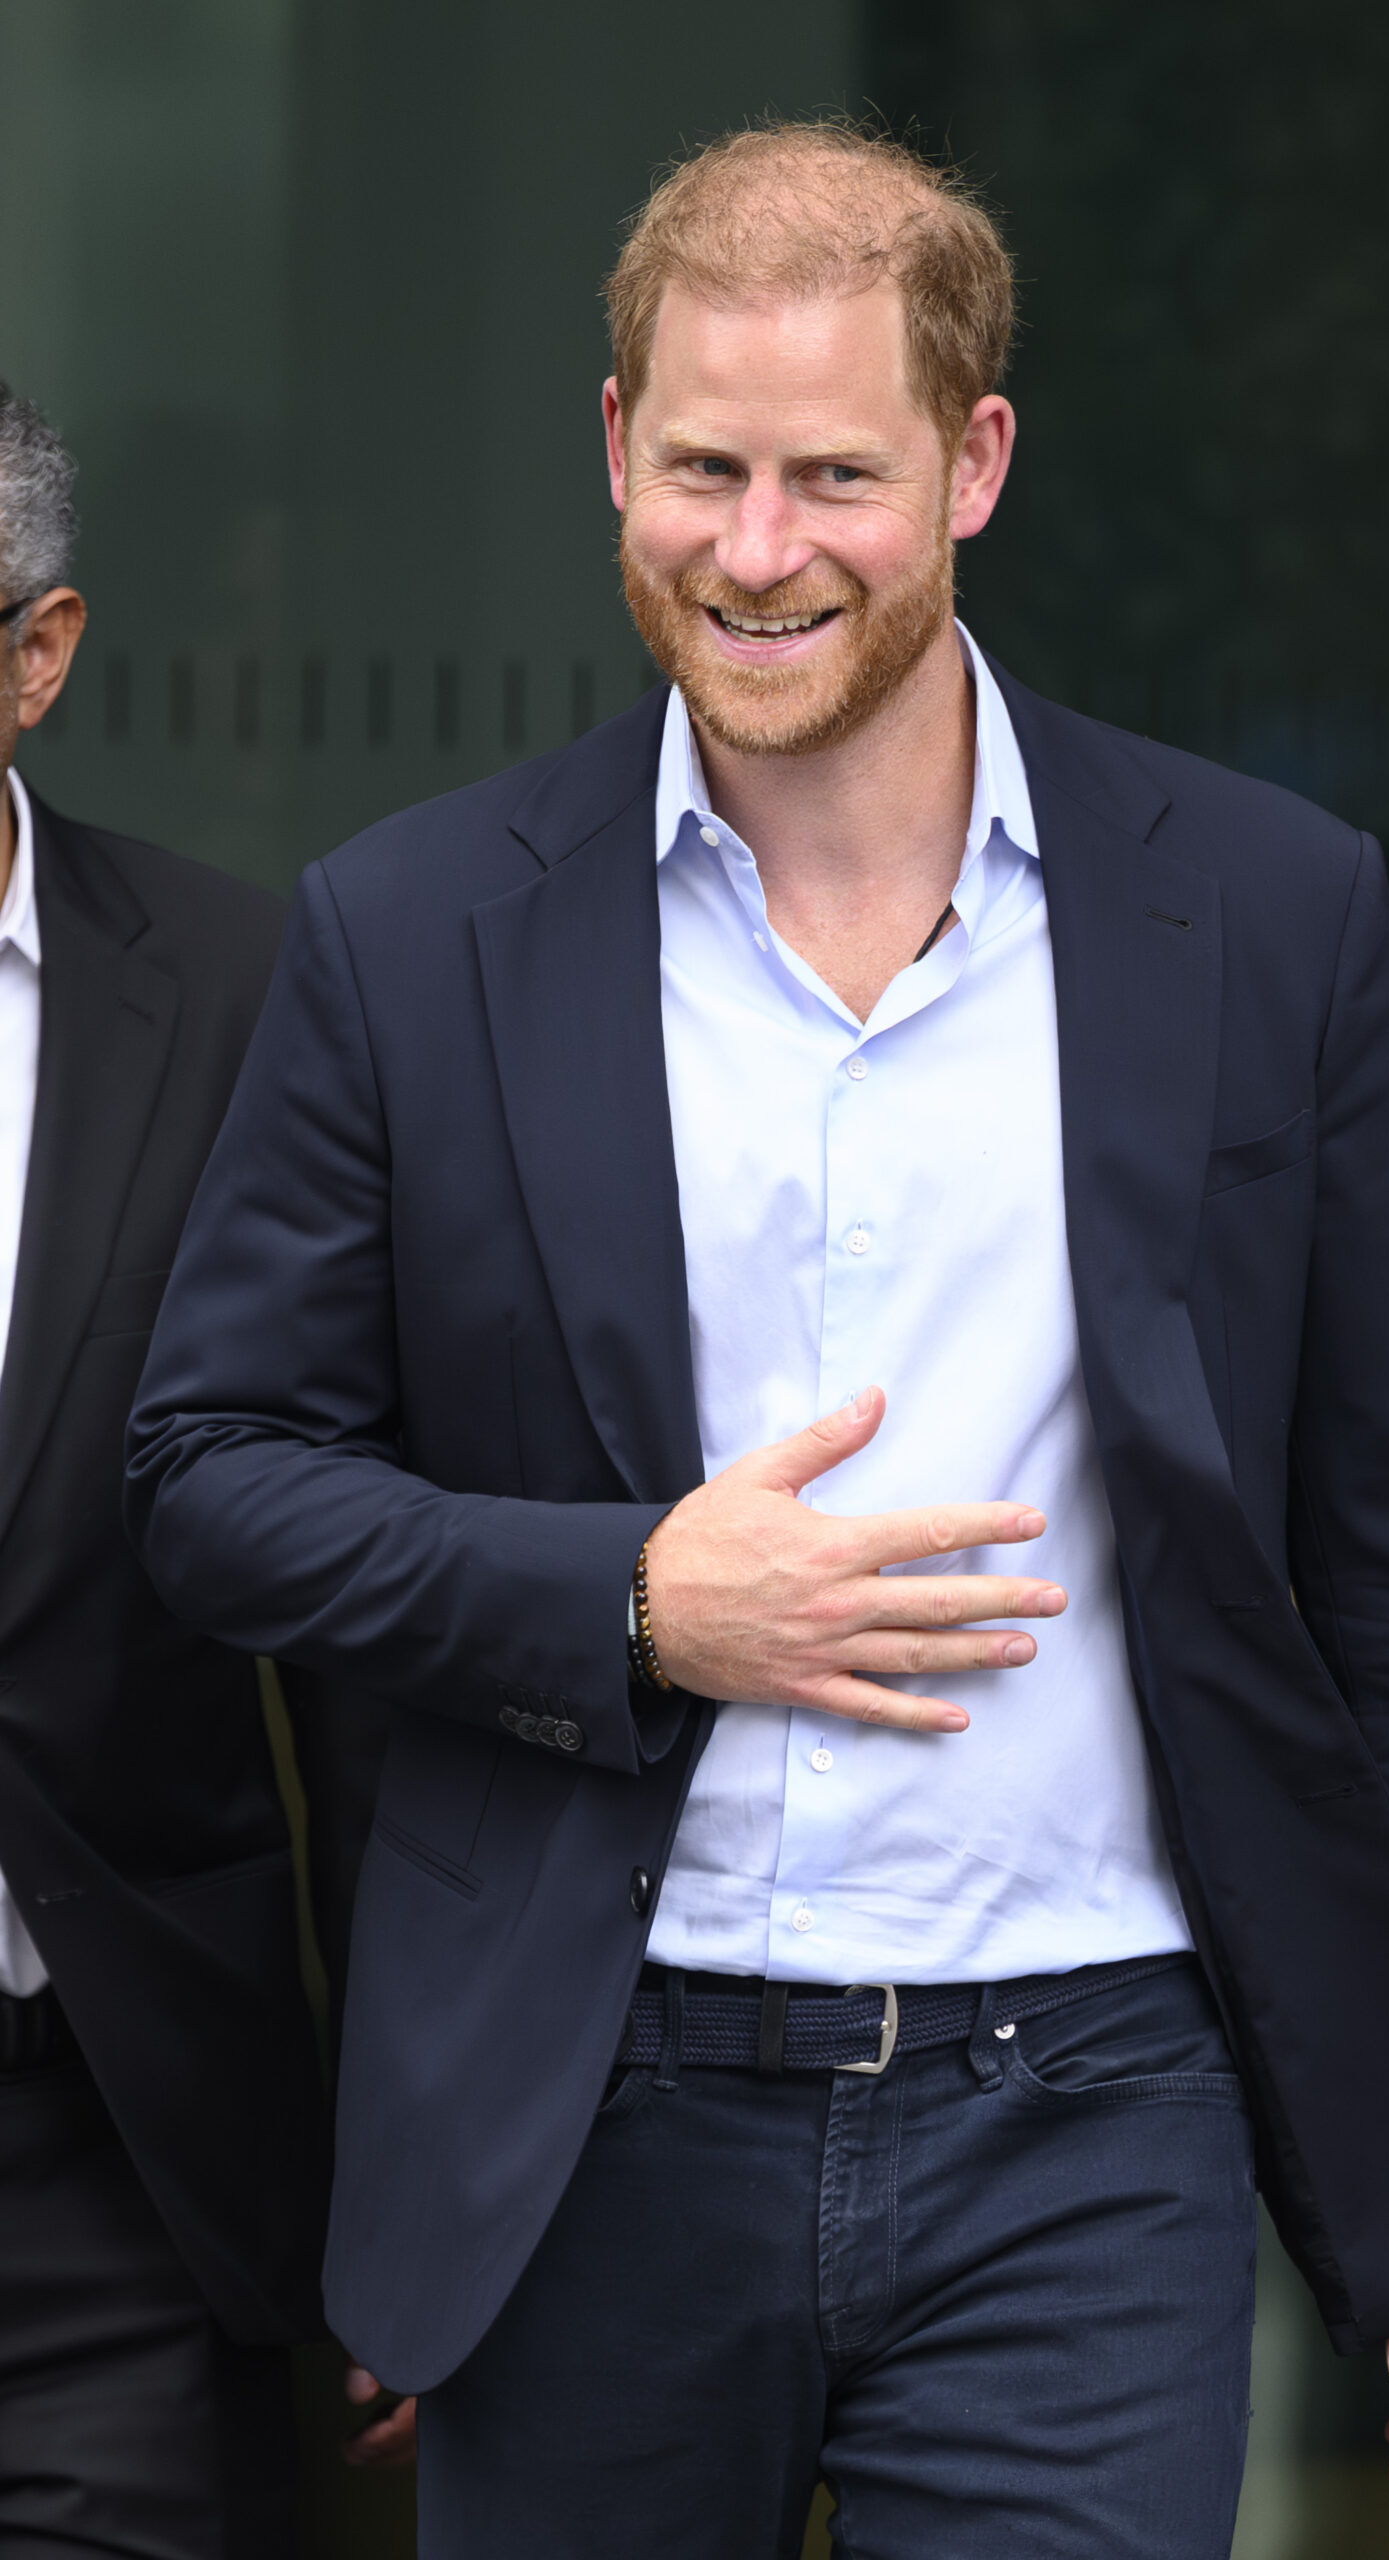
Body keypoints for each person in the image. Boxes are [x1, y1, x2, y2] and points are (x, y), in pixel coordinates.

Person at [126, 125, 1389, 2560]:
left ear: (974, 462)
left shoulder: (1259, 912)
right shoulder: (413, 929)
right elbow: (207, 1470)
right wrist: (629, 1599)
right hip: (590, 2112)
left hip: (1091, 2110)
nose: (756, 548)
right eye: (700, 466)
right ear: (612, 444)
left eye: (833, 476)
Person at [0, 385, 409, 2559]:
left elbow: (353, 1639)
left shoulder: (249, 994)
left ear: (36, 654)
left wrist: (408, 2172)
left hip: (116, 2165)